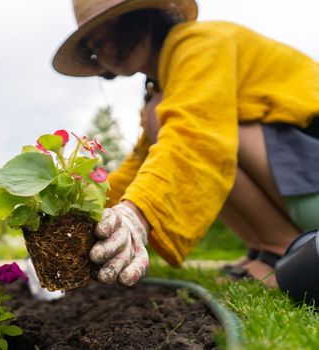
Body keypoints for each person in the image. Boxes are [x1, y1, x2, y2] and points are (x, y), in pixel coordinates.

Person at [52, 0, 319, 288]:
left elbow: (195, 133)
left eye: (108, 28)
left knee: (203, 133)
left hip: (310, 177)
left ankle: (282, 247)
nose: (103, 47)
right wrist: (82, 217)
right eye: (94, 43)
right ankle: (267, 247)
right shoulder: (163, 85)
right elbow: (143, 163)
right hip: (298, 181)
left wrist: (138, 215)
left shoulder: (200, 43)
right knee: (170, 127)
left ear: (144, 17)